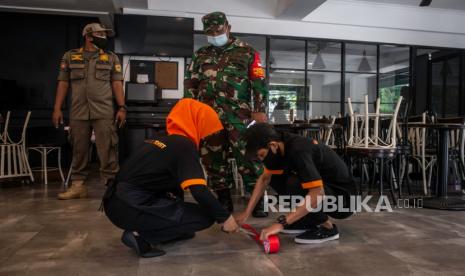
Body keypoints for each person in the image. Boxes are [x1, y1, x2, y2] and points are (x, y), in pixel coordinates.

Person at [103, 99, 239, 258]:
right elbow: (199, 191)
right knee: (207, 216)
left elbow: (173, 187)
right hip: (131, 206)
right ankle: (140, 236)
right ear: (198, 123)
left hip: (116, 202)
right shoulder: (184, 145)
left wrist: (182, 223)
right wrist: (225, 217)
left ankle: (172, 231)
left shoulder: (162, 138)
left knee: (186, 214)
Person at [184, 11, 269, 216]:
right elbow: (191, 83)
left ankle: (257, 199)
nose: (215, 34)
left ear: (228, 27)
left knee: (248, 157)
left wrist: (259, 110)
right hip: (208, 117)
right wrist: (190, 110)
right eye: (210, 32)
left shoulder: (247, 51)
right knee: (212, 158)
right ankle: (223, 200)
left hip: (239, 117)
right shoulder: (200, 54)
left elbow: (259, 83)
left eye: (218, 30)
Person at [235, 123, 356, 244]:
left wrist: (282, 224)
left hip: (343, 201)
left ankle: (327, 228)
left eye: (261, 155)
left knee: (295, 183)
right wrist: (247, 212)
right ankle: (307, 220)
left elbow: (318, 193)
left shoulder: (299, 150)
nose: (261, 160)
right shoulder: (279, 145)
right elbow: (264, 179)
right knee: (276, 177)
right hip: (325, 191)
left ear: (272, 145)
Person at [52, 23, 126, 200]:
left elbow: (117, 83)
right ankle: (78, 186)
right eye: (100, 34)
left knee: (107, 148)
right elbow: (63, 83)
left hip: (104, 111)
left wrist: (122, 107)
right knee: (79, 148)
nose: (104, 37)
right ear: (88, 36)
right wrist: (57, 108)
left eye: (105, 34)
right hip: (78, 111)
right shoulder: (70, 56)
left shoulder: (111, 57)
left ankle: (111, 186)